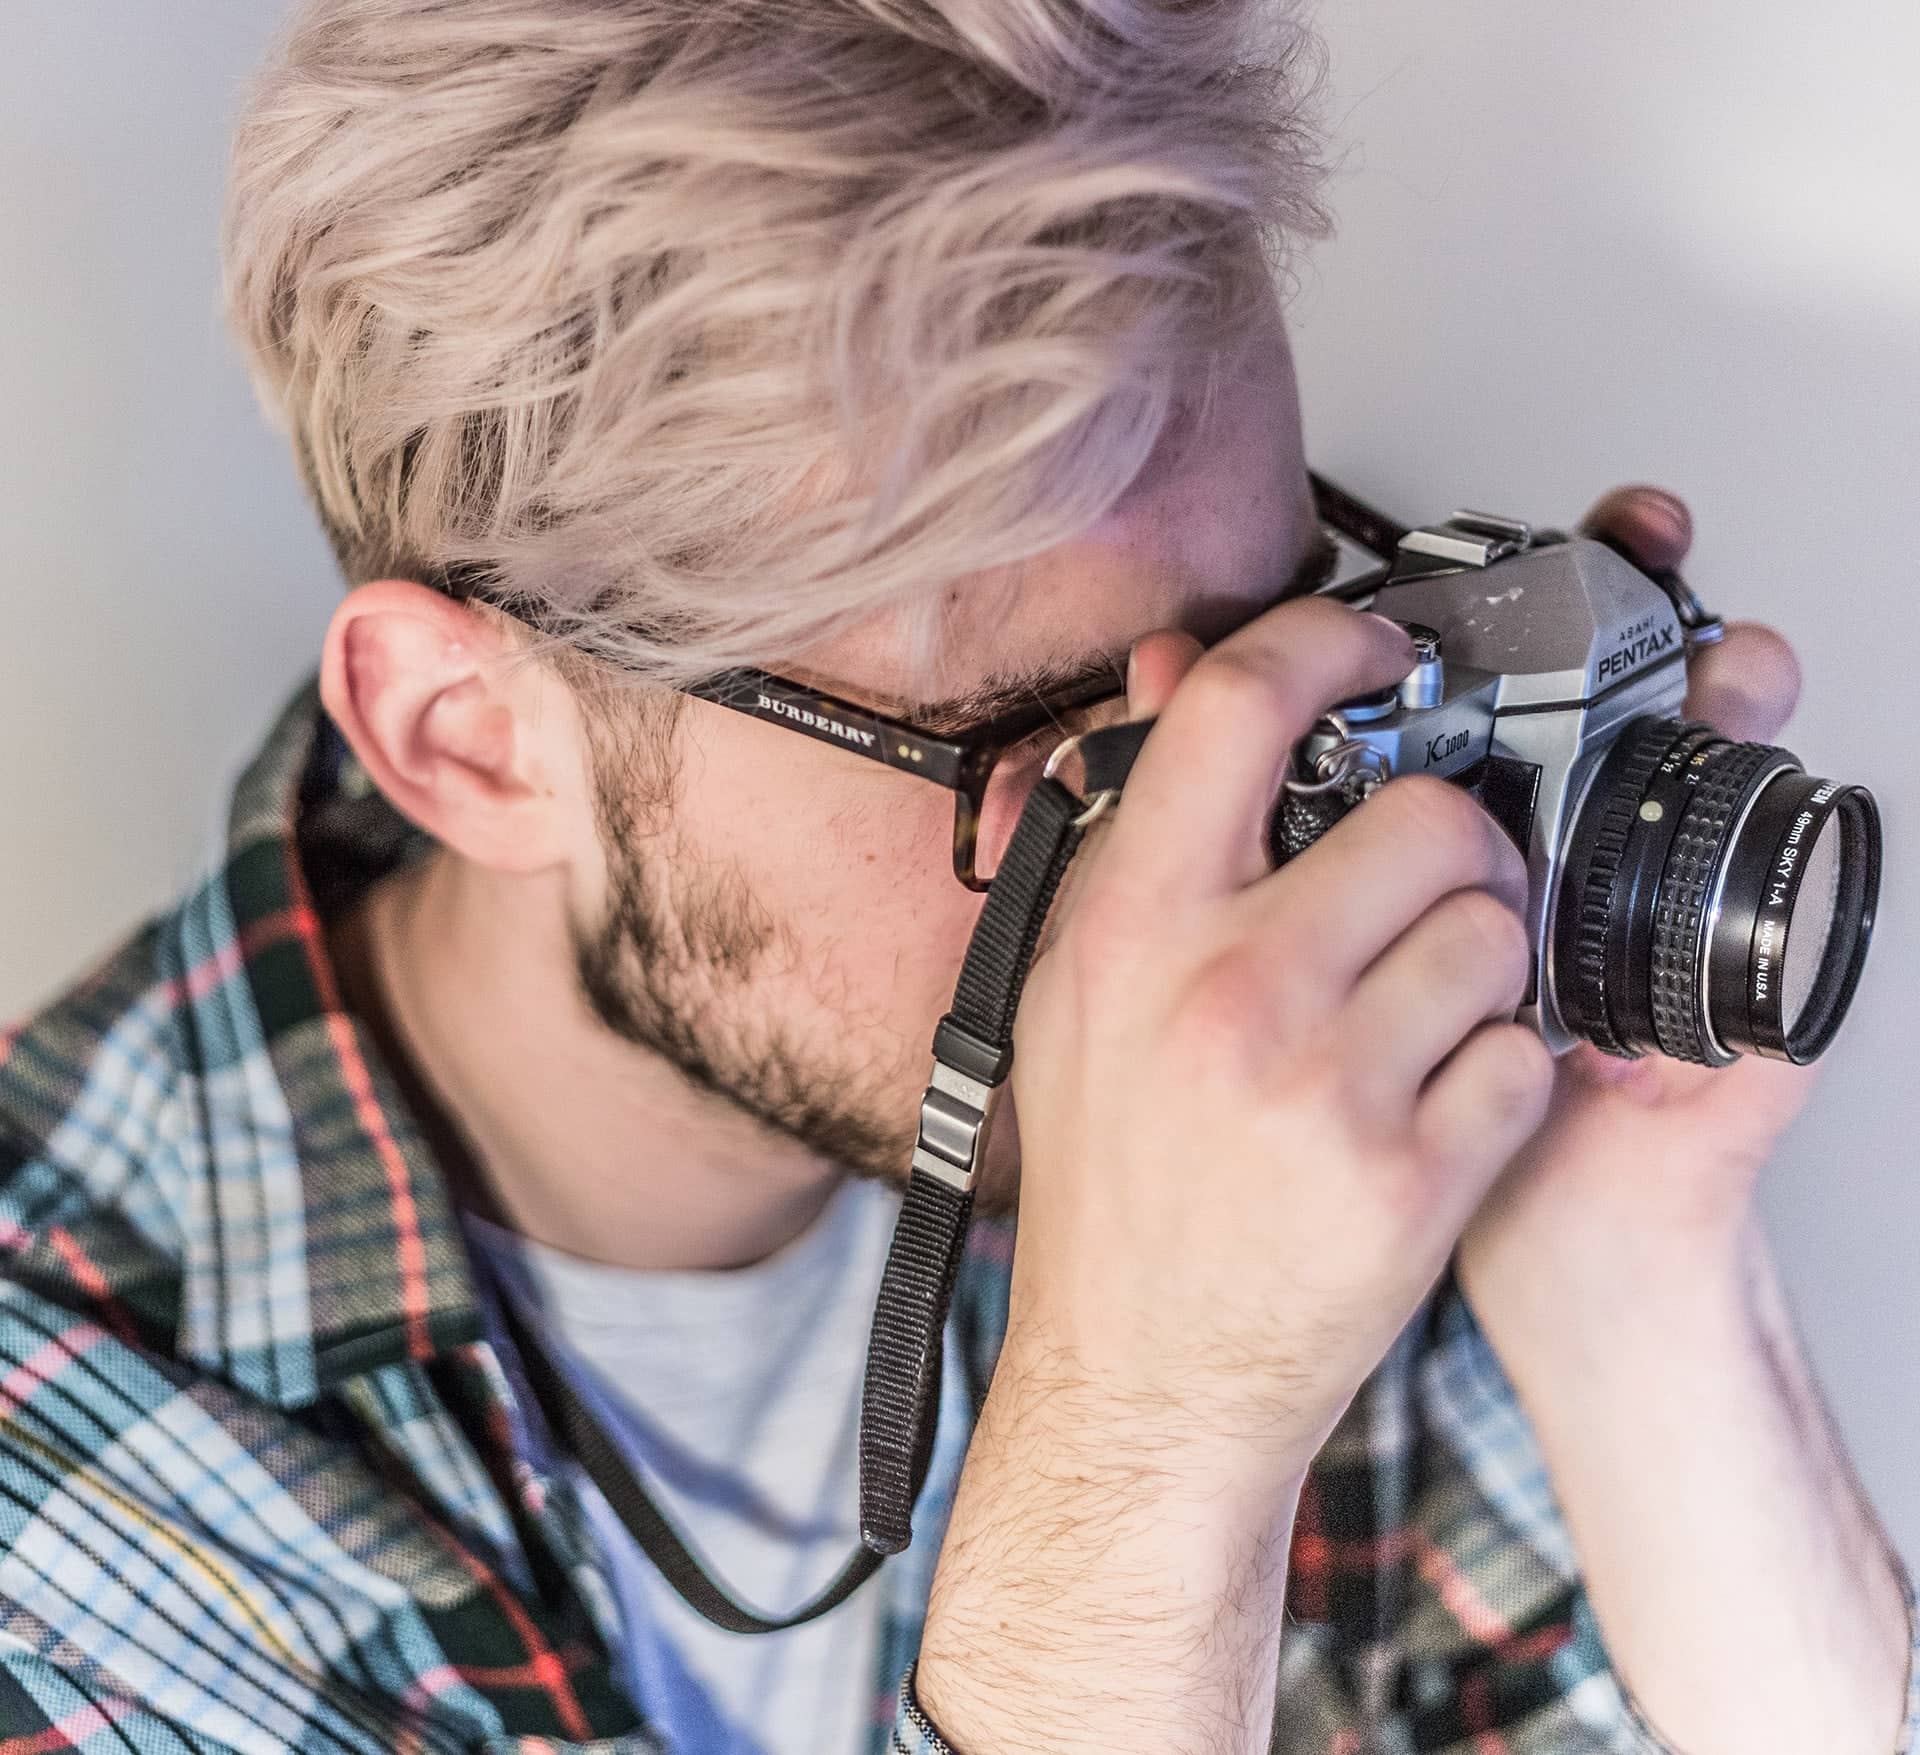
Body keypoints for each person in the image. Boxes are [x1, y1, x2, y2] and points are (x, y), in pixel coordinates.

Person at [0, 1, 1911, 1750]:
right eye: (1055, 752)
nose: (1222, 826)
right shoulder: (60, 1506)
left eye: (1266, 651)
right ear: (472, 740)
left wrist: (1625, 1245)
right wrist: (1147, 1440)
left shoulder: (1315, 1038)